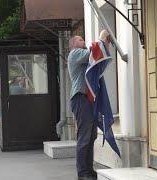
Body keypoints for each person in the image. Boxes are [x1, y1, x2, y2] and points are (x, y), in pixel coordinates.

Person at [68, 35, 98, 180]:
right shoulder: (75, 53)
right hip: (80, 98)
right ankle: (83, 173)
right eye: (80, 40)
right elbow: (92, 53)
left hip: (87, 99)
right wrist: (101, 41)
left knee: (91, 136)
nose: (83, 41)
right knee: (85, 137)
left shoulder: (81, 55)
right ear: (73, 44)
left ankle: (89, 170)